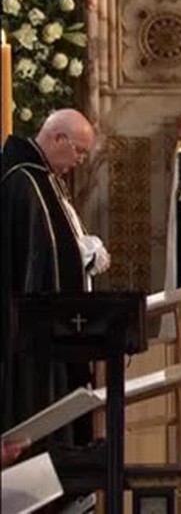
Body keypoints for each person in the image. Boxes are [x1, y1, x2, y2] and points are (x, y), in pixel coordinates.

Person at [2, 109, 111, 446]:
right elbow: (39, 253)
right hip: (31, 327)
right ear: (57, 138)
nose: (80, 161)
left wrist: (81, 253)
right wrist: (80, 257)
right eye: (78, 150)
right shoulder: (24, 180)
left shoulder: (43, 176)